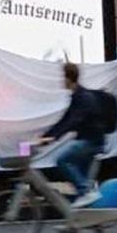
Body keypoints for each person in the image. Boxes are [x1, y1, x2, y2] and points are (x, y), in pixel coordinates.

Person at [41, 63, 105, 208]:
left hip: (91, 142)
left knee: (62, 160)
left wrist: (52, 137)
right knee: (81, 186)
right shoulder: (77, 96)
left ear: (69, 78)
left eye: (63, 77)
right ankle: (81, 220)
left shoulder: (83, 97)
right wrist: (46, 137)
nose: (61, 80)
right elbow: (65, 119)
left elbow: (72, 121)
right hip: (87, 141)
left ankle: (86, 192)